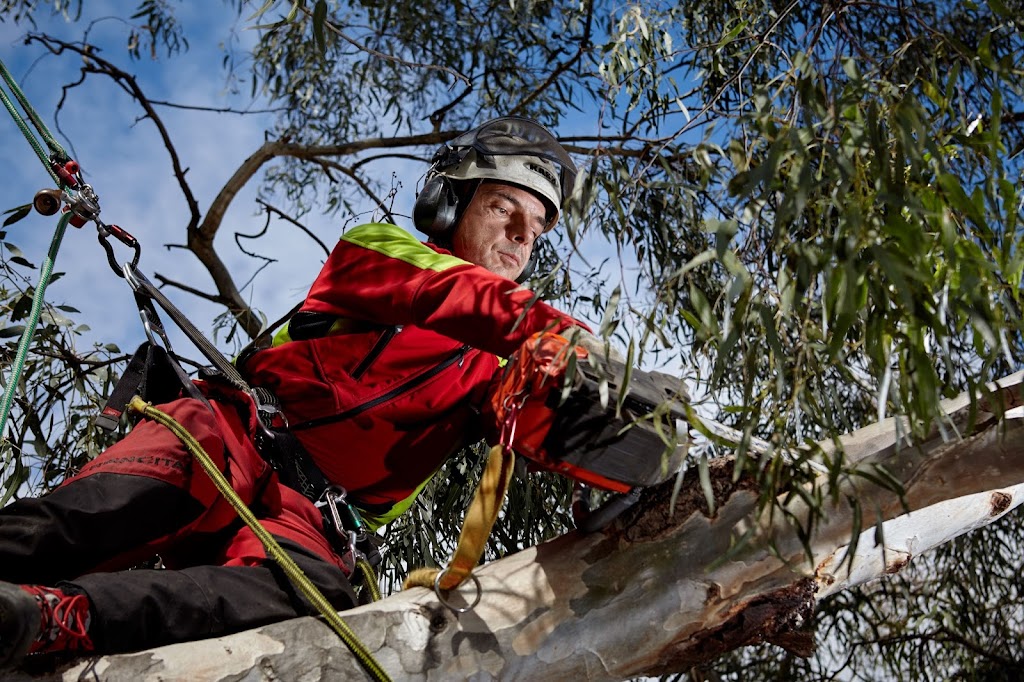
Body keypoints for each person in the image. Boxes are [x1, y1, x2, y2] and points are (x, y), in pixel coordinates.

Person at [0, 116, 591, 669]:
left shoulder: (502, 370)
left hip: (314, 517)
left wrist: (622, 431)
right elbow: (456, 297)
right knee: (93, 517)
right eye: (502, 207)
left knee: (305, 595)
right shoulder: (380, 253)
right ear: (449, 206)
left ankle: (50, 619)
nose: (520, 235)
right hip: (231, 437)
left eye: (535, 227)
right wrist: (572, 342)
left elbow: (557, 430)